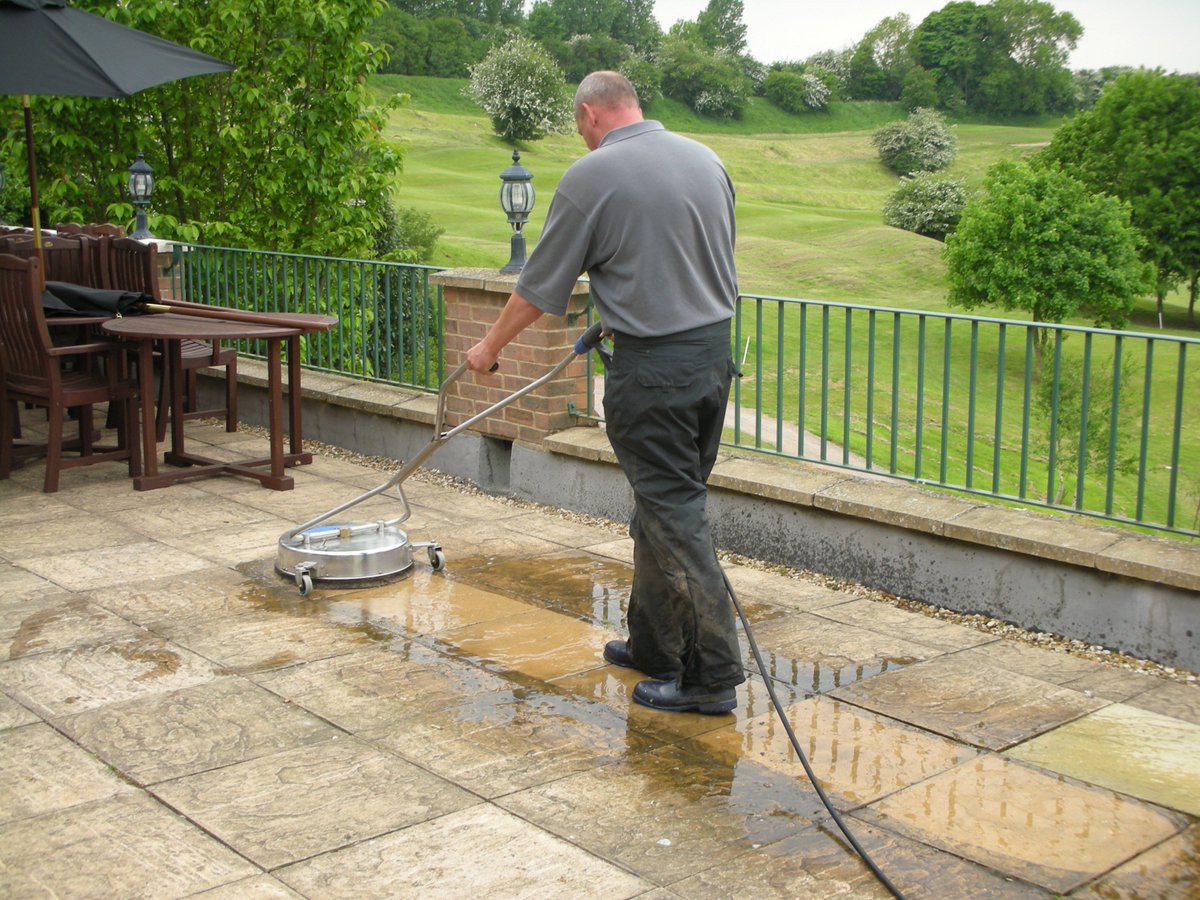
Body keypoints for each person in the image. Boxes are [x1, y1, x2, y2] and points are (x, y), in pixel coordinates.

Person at [466, 71, 744, 714]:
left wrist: (488, 347)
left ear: (591, 114)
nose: (583, 139)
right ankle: (653, 643)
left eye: (579, 127)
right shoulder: (707, 160)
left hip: (652, 376)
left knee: (674, 517)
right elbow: (692, 262)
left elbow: (539, 289)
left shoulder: (592, 175)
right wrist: (622, 308)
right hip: (711, 362)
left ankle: (712, 677)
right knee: (663, 505)